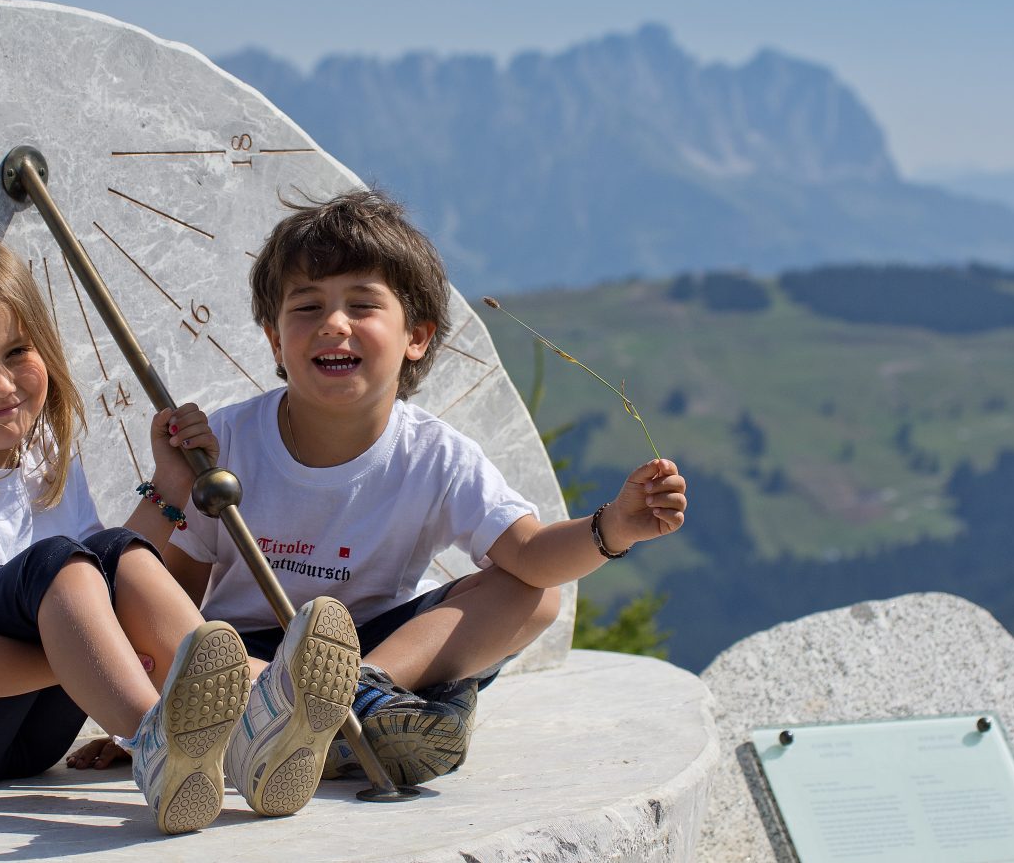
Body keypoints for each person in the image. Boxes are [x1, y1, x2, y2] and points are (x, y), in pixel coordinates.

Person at [73, 190, 688, 787]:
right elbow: (174, 585)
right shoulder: (226, 442)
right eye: (307, 307)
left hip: (381, 650)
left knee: (536, 596)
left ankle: (341, 707)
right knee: (144, 592)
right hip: (243, 656)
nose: (333, 324)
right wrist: (161, 701)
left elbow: (529, 553)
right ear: (274, 339)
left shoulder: (436, 455)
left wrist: (615, 528)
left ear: (416, 337)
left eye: (362, 306)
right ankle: (328, 723)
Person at [0, 230, 360, 834]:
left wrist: (169, 489)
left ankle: (261, 720)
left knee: (106, 555)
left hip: (28, 740)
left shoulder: (40, 452)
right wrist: (86, 658)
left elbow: (100, 583)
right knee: (59, 564)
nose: (2, 386)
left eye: (17, 352)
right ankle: (161, 742)